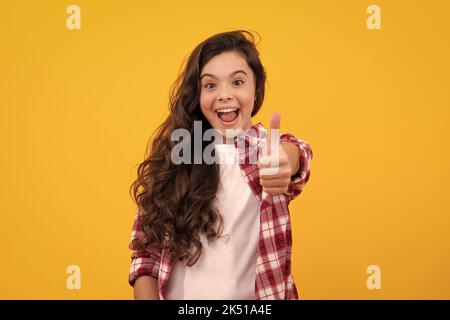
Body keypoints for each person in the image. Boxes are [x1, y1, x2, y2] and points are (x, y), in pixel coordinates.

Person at [128, 30, 313, 300]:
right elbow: (146, 255)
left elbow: (297, 154)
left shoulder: (266, 151)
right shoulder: (177, 157)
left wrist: (286, 161)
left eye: (237, 82)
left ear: (256, 88)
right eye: (211, 85)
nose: (224, 95)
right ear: (198, 94)